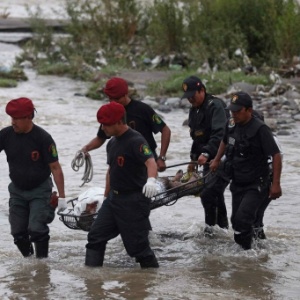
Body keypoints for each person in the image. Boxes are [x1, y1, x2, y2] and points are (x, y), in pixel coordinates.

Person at [85, 101, 159, 268]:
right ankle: (92, 281)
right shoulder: (111, 143)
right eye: (102, 124)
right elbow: (111, 172)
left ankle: (151, 281)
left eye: (106, 124)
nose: (103, 128)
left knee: (137, 248)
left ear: (120, 121)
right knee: (95, 236)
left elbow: (151, 162)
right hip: (113, 200)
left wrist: (151, 180)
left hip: (133, 200)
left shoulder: (136, 140)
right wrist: (105, 197)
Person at [210, 91, 282, 250]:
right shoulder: (231, 124)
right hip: (237, 181)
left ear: (249, 110)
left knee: (243, 220)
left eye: (237, 111)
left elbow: (276, 155)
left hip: (256, 184)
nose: (233, 114)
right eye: (231, 110)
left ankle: (249, 255)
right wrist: (216, 160)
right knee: (236, 221)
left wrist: (276, 184)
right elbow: (224, 140)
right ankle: (251, 255)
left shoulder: (260, 129)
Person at [0, 97, 67, 258]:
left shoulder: (43, 138)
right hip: (17, 190)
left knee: (36, 229)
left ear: (29, 117)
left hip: (40, 189)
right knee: (18, 233)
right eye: (12, 118)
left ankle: (42, 263)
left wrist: (63, 197)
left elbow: (55, 167)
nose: (13, 122)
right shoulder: (6, 135)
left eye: (17, 118)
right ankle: (30, 261)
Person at [81, 77, 171, 172]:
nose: (113, 102)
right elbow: (101, 137)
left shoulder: (143, 110)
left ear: (125, 94)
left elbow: (165, 130)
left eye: (117, 99)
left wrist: (161, 157)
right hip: (124, 161)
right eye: (110, 99)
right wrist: (86, 148)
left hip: (145, 160)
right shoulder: (110, 112)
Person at [181, 75, 230, 235]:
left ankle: (210, 231)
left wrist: (206, 152)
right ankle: (222, 231)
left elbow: (220, 134)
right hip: (206, 159)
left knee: (208, 193)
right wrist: (193, 159)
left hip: (223, 158)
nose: (190, 100)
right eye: (188, 98)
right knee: (215, 195)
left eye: (193, 96)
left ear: (202, 90)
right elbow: (197, 138)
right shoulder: (194, 110)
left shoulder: (215, 106)